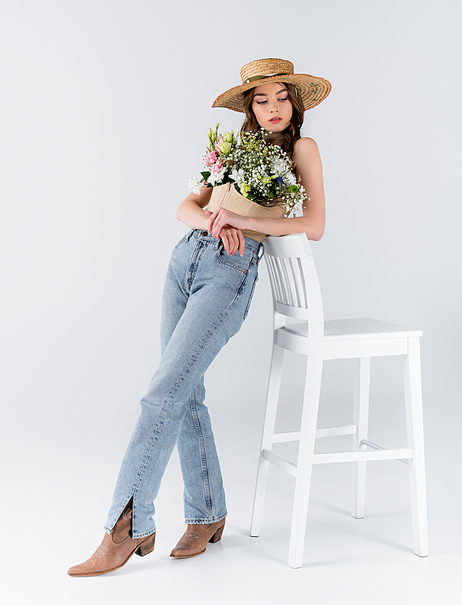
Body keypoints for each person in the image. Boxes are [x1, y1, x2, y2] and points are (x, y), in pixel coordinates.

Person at [67, 57, 331, 577]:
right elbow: (186, 207)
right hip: (185, 258)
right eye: (262, 99)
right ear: (249, 108)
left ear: (295, 103)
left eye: (281, 97)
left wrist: (237, 219)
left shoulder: (303, 149)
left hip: (230, 272)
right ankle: (207, 513)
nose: (273, 107)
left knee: (161, 393)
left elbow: (315, 224)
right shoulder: (233, 150)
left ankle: (127, 524)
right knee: (184, 391)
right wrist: (214, 221)